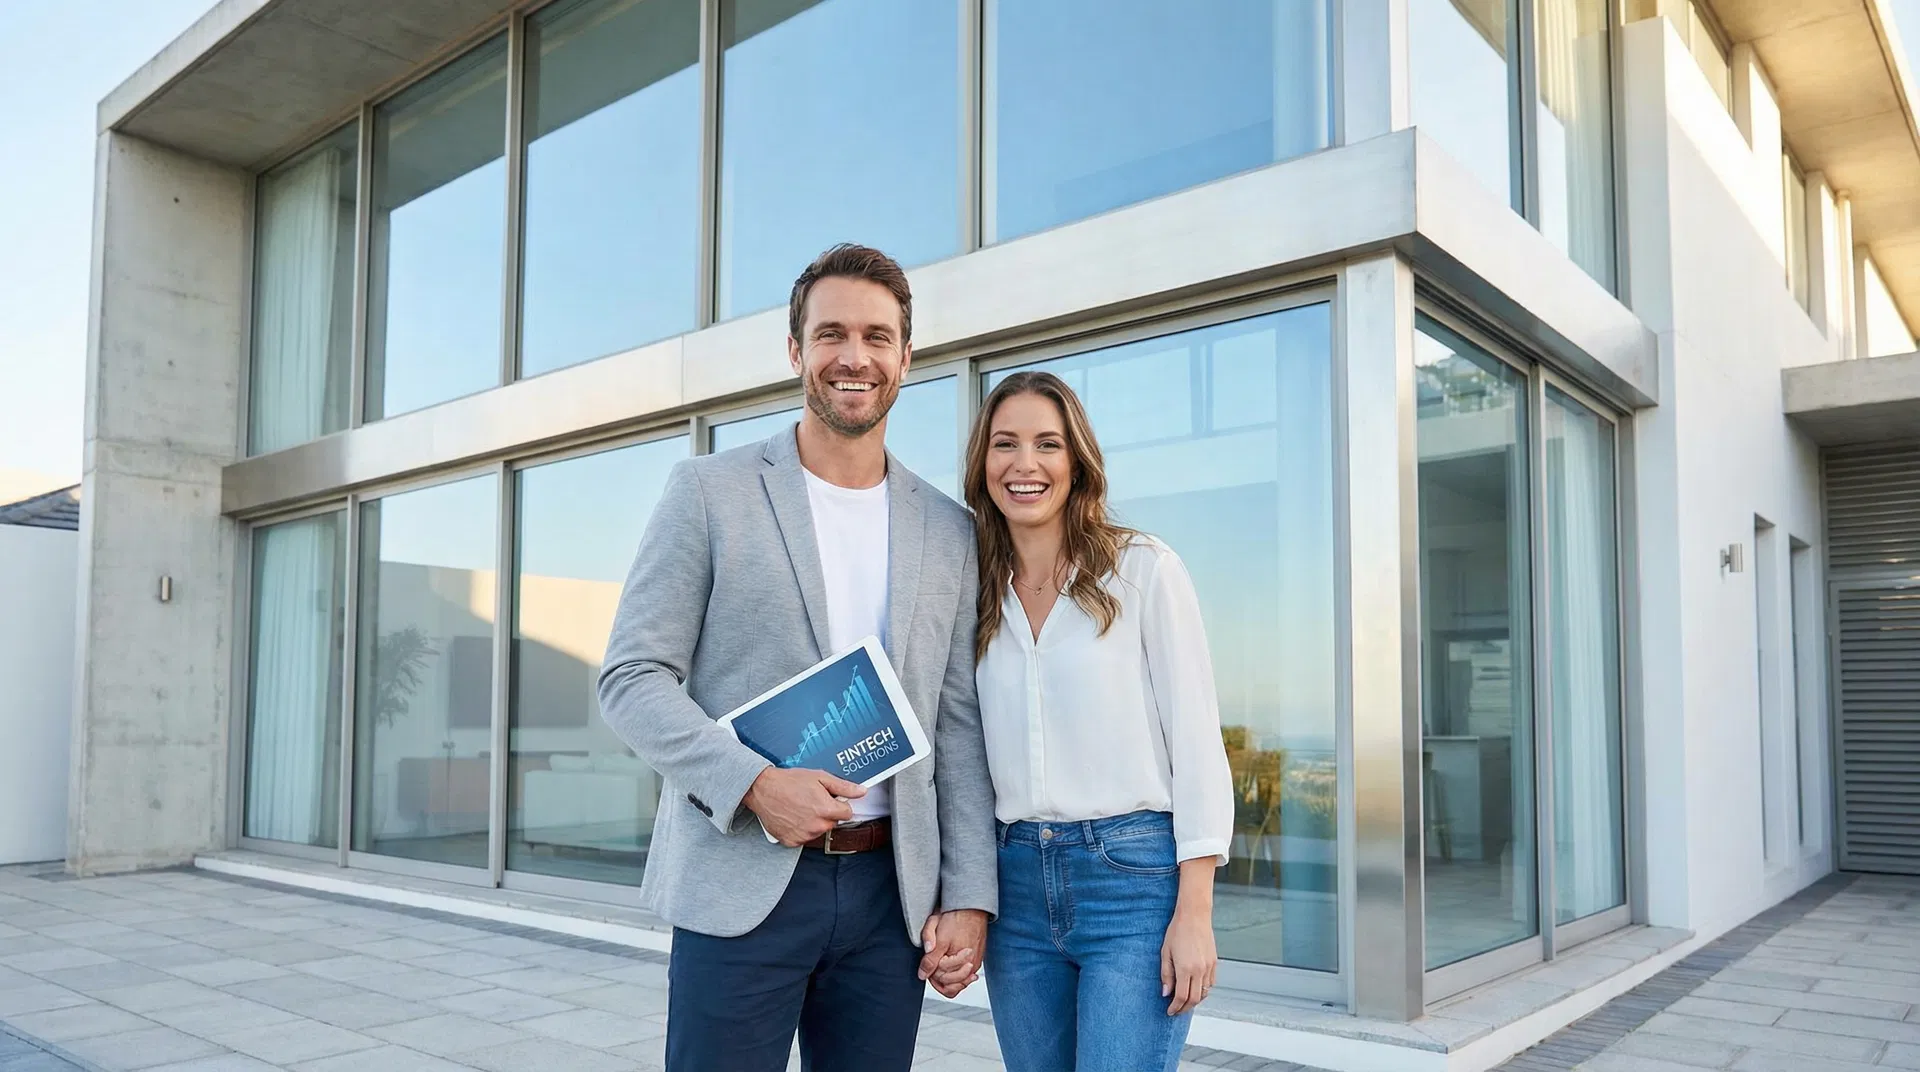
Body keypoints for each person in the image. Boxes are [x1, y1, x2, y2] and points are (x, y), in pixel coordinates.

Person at [597, 243, 996, 1072]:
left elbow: (956, 727)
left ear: (906, 358)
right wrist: (752, 784)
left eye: (878, 337)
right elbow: (633, 678)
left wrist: (968, 897)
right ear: (796, 351)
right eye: (832, 334)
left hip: (891, 902)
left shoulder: (950, 528)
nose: (856, 357)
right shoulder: (709, 492)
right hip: (742, 882)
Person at [964, 370, 1235, 1072]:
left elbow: (1198, 745)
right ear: (982, 463)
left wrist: (1195, 912)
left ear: (1076, 462)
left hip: (1132, 882)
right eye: (1005, 444)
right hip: (1014, 885)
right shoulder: (974, 592)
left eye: (1047, 444)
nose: (1025, 465)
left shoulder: (1142, 569)